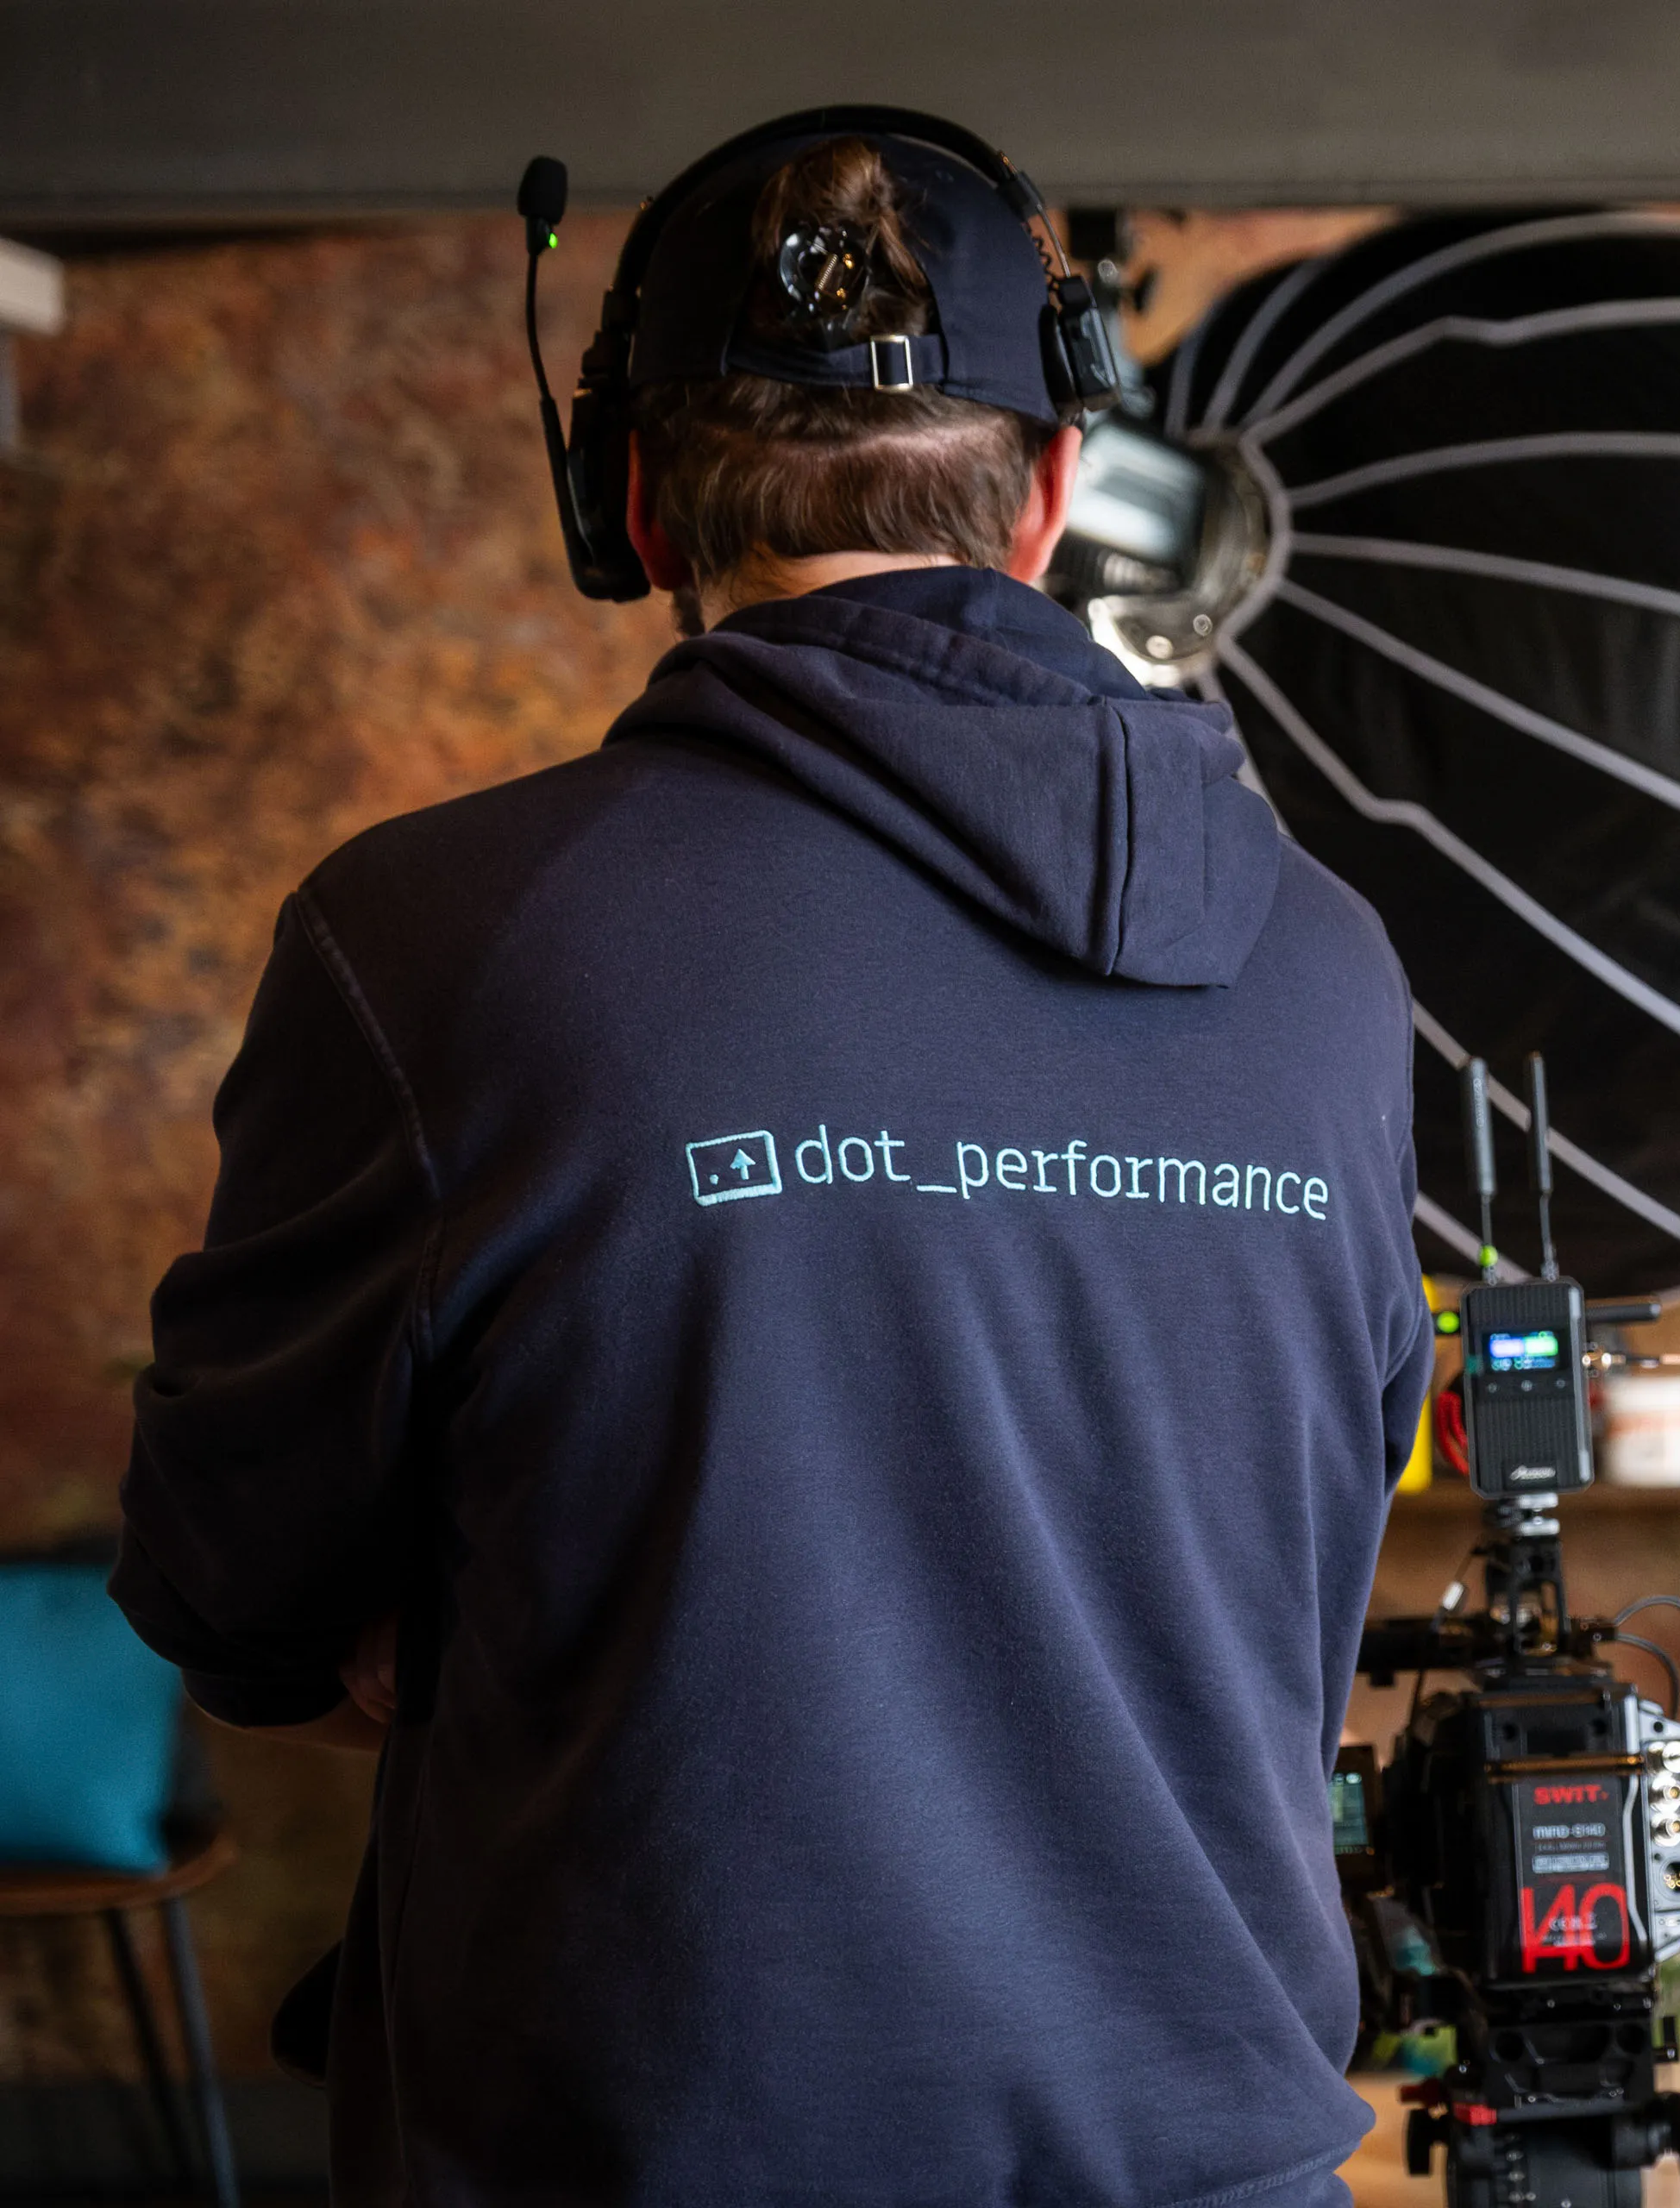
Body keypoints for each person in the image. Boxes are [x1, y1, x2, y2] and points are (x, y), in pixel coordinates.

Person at [108, 119, 1432, 2208]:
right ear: (1051, 493)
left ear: (628, 501)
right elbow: (1308, 1558)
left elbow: (231, 1599)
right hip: (1228, 2159)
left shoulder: (436, 941)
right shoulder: (1333, 966)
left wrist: (507, 1620)